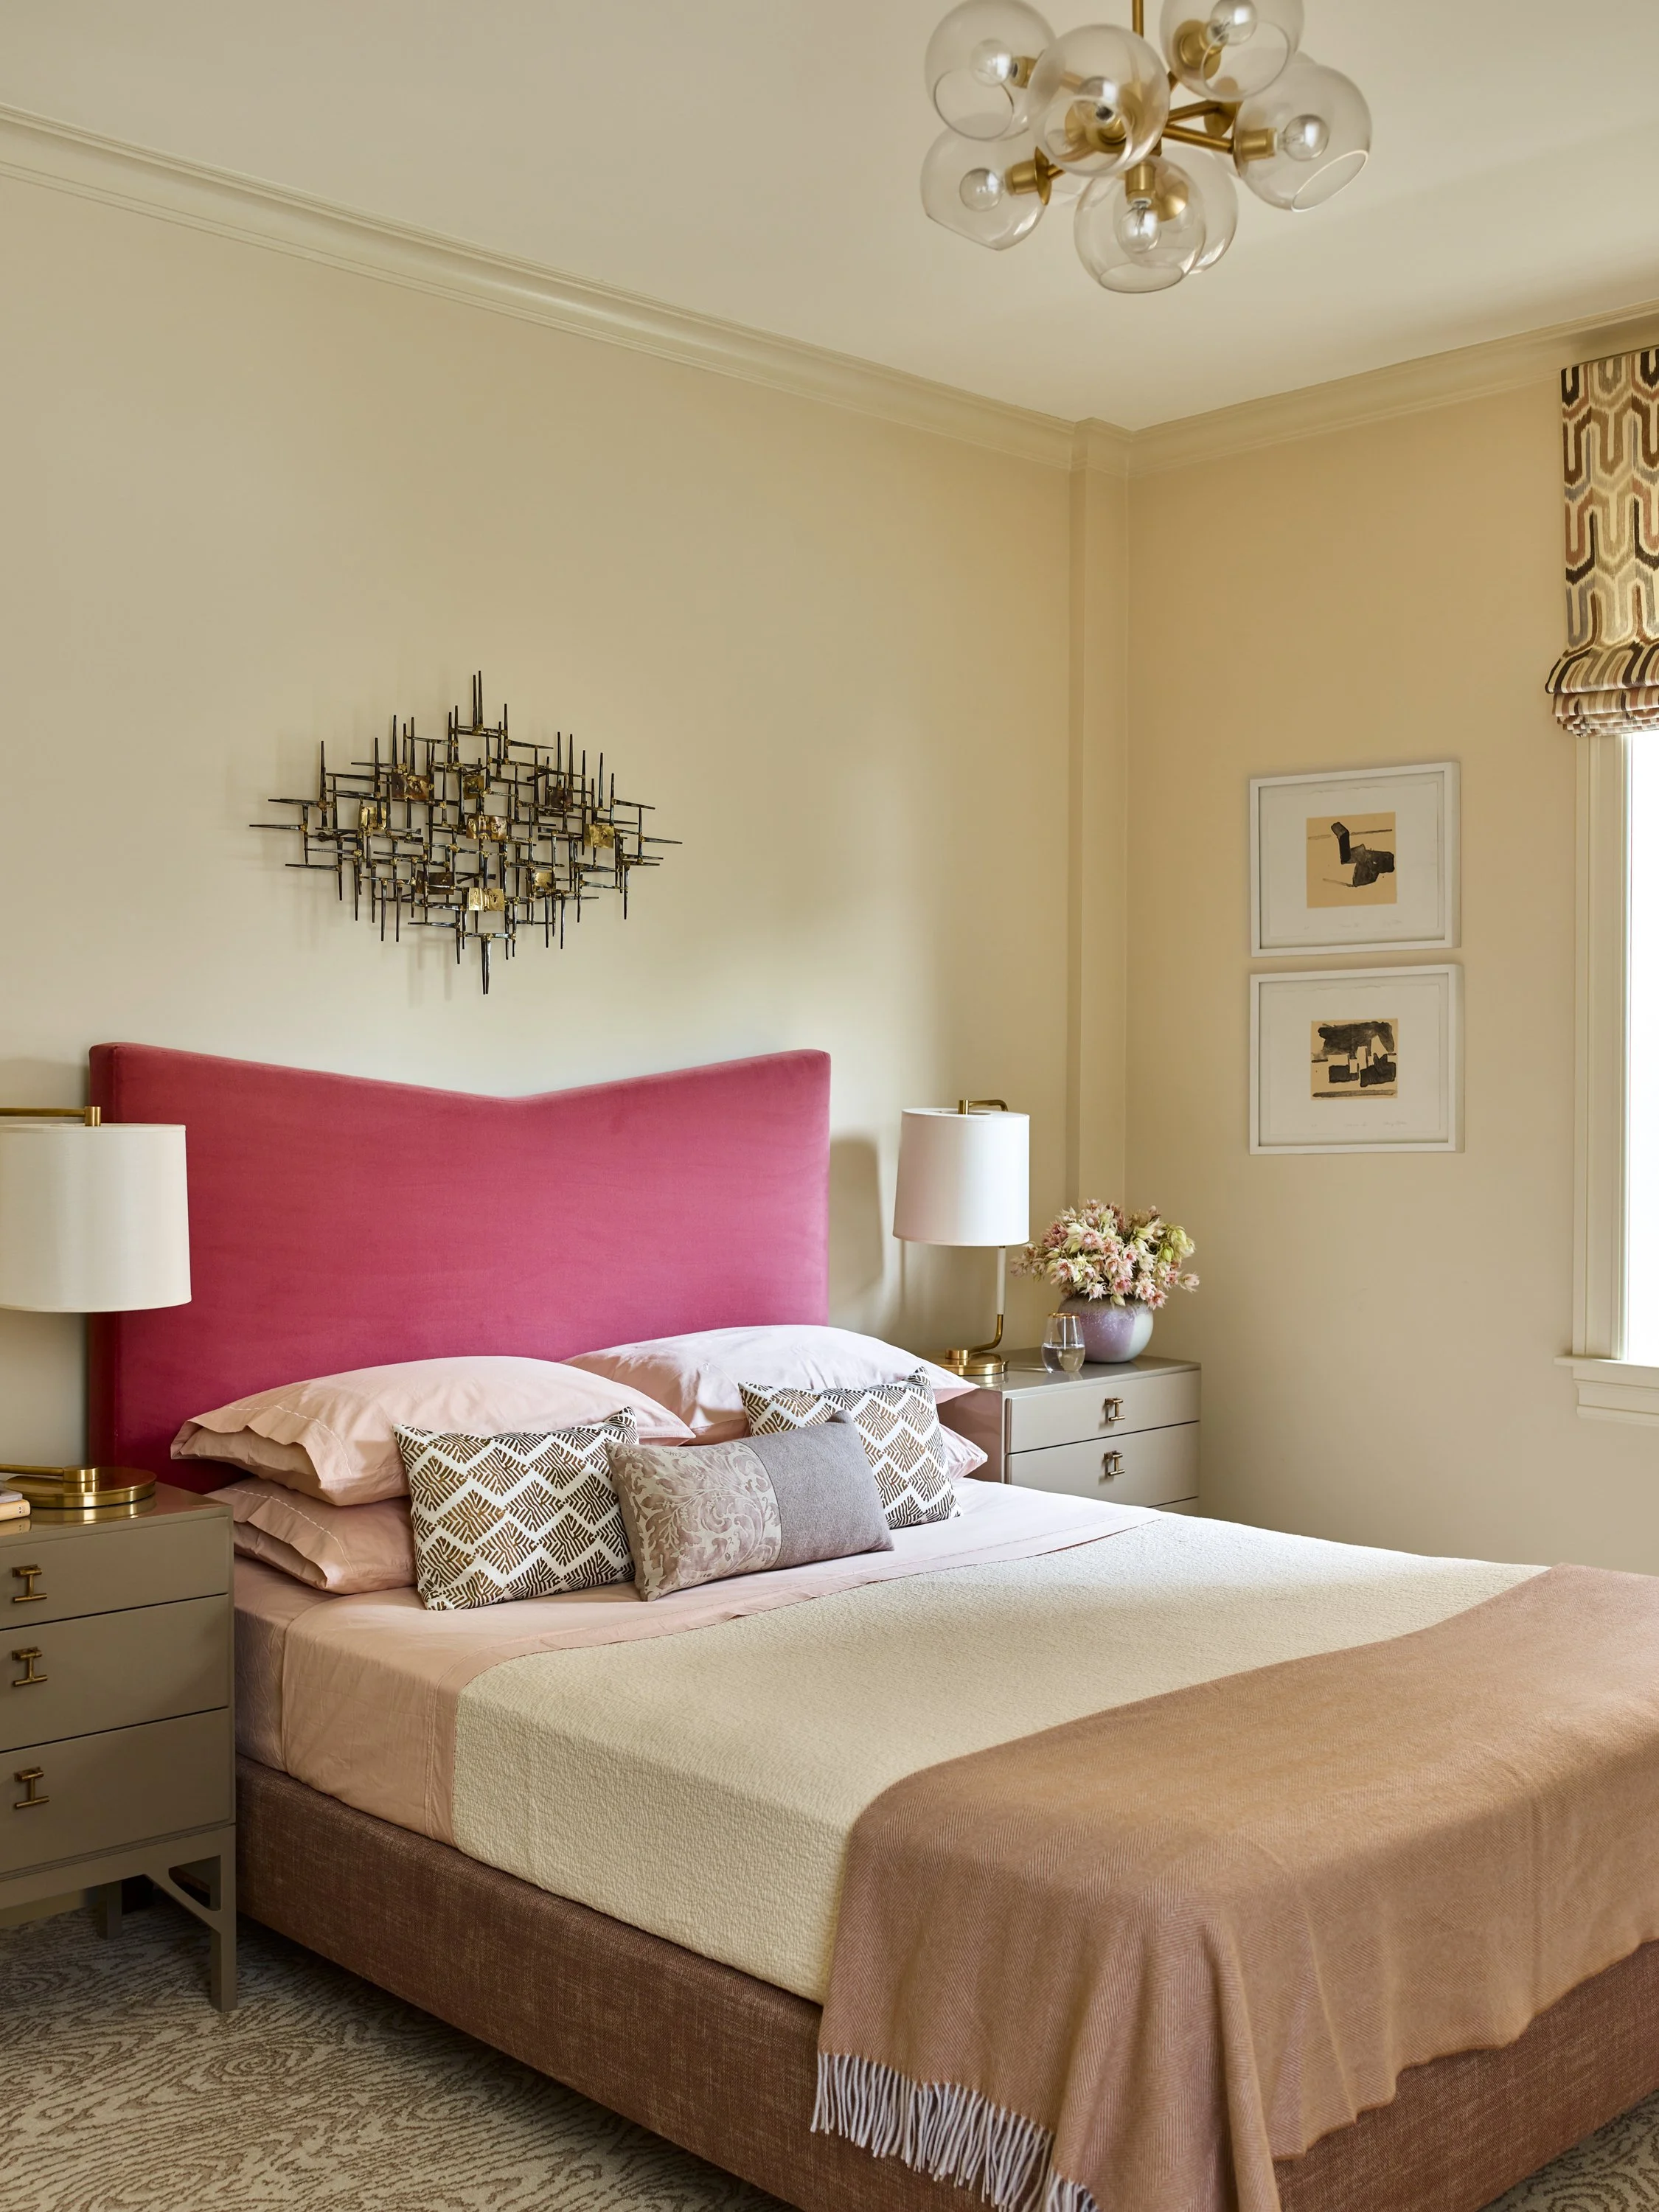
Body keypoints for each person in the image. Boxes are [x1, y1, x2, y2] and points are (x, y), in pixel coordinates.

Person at [1330, 821, 1396, 888]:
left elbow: (1359, 880)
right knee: (1366, 856)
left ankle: (1342, 836)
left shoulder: (1372, 875)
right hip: (1360, 861)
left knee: (1362, 857)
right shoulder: (1378, 861)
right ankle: (1341, 834)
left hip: (1359, 869)